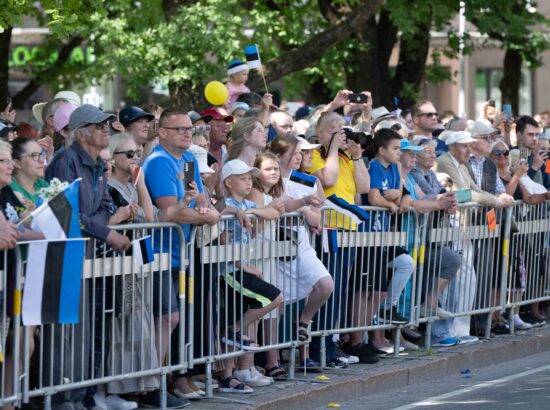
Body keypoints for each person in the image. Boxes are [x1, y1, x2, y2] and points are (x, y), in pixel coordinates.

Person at [45, 104, 131, 410]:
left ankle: (78, 395)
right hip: (64, 257)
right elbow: (67, 212)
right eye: (98, 126)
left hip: (88, 257)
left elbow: (105, 206)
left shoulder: (97, 164)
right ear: (80, 132)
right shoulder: (66, 160)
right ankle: (58, 399)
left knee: (84, 331)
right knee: (62, 333)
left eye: (106, 125)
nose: (105, 129)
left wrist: (99, 225)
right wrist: (106, 232)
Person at [142, 108, 220, 406]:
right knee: (166, 319)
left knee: (176, 320)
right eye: (180, 129)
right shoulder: (159, 162)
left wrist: (207, 212)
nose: (188, 133)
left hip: (182, 255)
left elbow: (200, 201)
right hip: (161, 254)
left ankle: (168, 381)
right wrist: (206, 216)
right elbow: (172, 211)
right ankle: (154, 385)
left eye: (189, 128)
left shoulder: (188, 159)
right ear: (162, 133)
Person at [435, 130, 514, 341]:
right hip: (450, 228)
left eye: (470, 145)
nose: (469, 150)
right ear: (453, 147)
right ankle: (450, 331)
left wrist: (499, 196)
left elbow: (475, 188)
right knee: (456, 281)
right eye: (465, 146)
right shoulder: (445, 161)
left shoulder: (461, 164)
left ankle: (462, 329)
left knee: (469, 279)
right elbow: (465, 193)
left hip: (464, 228)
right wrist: (497, 202)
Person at [306, 111, 371, 367]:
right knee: (328, 290)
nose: (339, 133)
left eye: (342, 128)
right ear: (319, 133)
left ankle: (331, 345)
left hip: (348, 230)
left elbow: (364, 188)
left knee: (341, 290)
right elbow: (328, 179)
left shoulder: (345, 157)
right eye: (332, 129)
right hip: (328, 231)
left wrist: (356, 156)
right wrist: (332, 147)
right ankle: (319, 347)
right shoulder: (313, 155)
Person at [266, 136, 335, 370]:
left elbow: (317, 217)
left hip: (301, 244)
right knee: (276, 304)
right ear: (280, 153)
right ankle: (272, 361)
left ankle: (303, 323)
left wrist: (305, 208)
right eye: (295, 152)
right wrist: (303, 206)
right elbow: (275, 205)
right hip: (273, 245)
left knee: (325, 284)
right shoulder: (269, 177)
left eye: (300, 153)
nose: (299, 157)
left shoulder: (308, 180)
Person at [218, 159, 283, 390]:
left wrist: (252, 210)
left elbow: (274, 212)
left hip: (239, 268)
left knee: (238, 315)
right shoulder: (223, 203)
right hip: (228, 271)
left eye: (249, 178)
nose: (248, 182)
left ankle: (229, 374)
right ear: (228, 182)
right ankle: (234, 335)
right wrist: (241, 265)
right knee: (275, 297)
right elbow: (222, 240)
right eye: (243, 178)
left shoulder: (246, 203)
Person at [399, 139, 462, 347]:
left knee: (447, 263)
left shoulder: (425, 174)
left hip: (422, 239)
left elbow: (429, 197)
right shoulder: (410, 174)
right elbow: (424, 200)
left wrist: (446, 200)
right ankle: (399, 334)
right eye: (414, 153)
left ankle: (429, 313)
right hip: (407, 239)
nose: (415, 157)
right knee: (403, 287)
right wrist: (442, 201)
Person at [363, 130, 416, 352]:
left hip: (386, 235)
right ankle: (367, 338)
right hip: (370, 236)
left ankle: (388, 307)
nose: (398, 153)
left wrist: (401, 196)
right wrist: (392, 204)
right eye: (395, 149)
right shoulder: (374, 166)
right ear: (381, 150)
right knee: (372, 287)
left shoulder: (395, 167)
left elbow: (402, 192)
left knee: (406, 263)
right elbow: (375, 197)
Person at [9, 138, 49, 207]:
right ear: (17, 163)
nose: (42, 160)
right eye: (35, 155)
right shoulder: (10, 191)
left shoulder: (40, 183)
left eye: (42, 154)